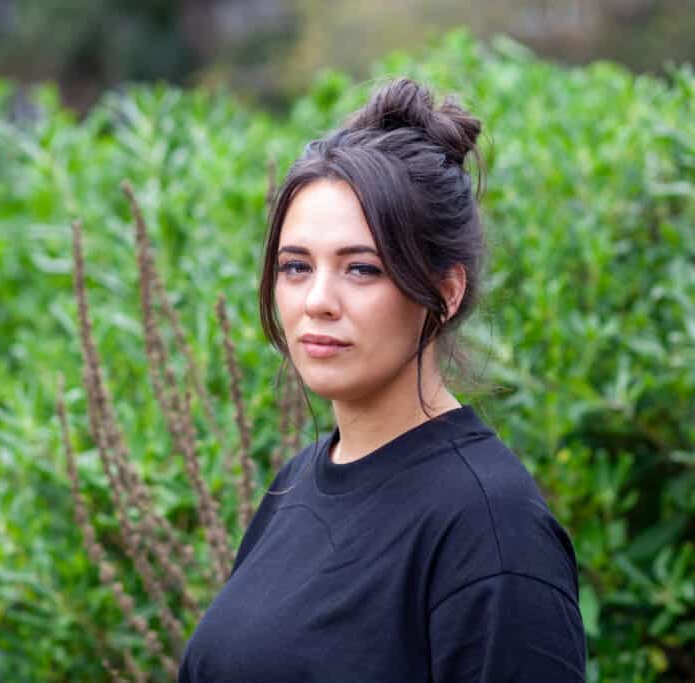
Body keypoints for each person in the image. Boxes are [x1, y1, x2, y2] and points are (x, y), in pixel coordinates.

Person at [177, 78, 586, 682]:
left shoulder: (490, 530)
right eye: (295, 266)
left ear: (444, 295)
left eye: (361, 269)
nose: (317, 300)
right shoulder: (298, 482)